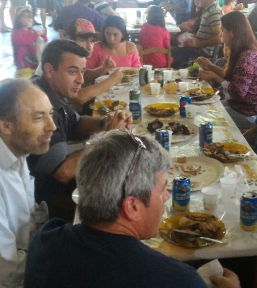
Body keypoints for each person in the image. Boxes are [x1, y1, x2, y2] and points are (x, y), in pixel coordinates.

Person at [24, 130, 240, 288]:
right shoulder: (177, 280)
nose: (166, 196)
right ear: (132, 207)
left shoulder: (46, 238)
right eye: (163, 189)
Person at [28, 39, 132, 221]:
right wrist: (106, 137)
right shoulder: (39, 104)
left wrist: (105, 123)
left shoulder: (55, 91)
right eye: (72, 71)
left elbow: (76, 123)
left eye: (82, 72)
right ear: (49, 70)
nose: (81, 80)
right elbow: (64, 172)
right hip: (48, 205)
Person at [0, 79, 55, 288]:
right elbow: (8, 275)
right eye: (39, 117)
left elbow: (30, 213)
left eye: (50, 113)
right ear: (6, 125)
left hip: (32, 254)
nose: (52, 126)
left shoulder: (18, 151)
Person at [197, 11, 257, 129]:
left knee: (203, 118)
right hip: (238, 106)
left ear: (232, 32)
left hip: (249, 113)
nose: (221, 35)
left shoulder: (248, 57)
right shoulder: (243, 51)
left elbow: (238, 92)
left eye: (223, 30)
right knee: (202, 107)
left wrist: (214, 77)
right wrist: (211, 67)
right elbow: (232, 77)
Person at [171, 0, 222, 69]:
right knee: (172, 48)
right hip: (198, 48)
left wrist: (198, 43)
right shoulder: (208, 10)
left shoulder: (214, 11)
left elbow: (219, 38)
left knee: (170, 54)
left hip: (202, 51)